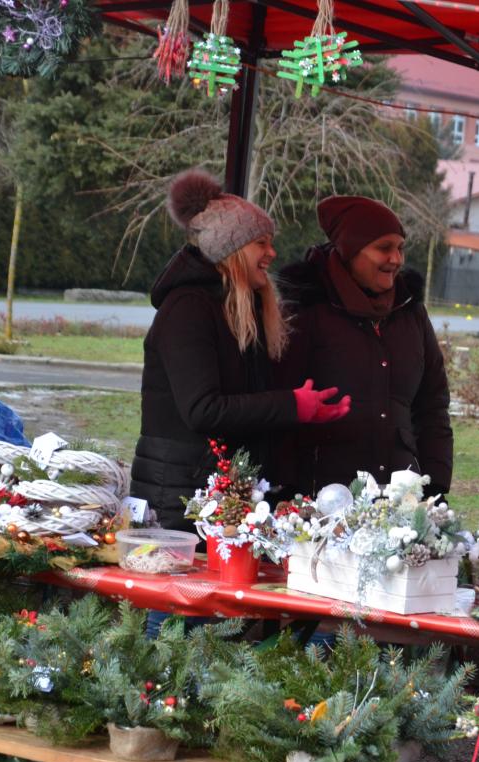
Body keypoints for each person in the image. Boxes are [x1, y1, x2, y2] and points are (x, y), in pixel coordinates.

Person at [131, 168, 349, 533]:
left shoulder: (241, 308)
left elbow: (246, 405)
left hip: (222, 493)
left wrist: (302, 412)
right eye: (261, 243)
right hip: (179, 500)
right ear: (229, 248)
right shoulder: (187, 308)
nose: (271, 253)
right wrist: (291, 404)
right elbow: (203, 410)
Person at [276, 196, 452, 496]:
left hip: (401, 493)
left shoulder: (410, 311)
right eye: (384, 248)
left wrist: (435, 481)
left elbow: (432, 403)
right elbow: (281, 403)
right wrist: (285, 488)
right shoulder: (306, 309)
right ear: (350, 250)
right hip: (323, 491)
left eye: (400, 248)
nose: (396, 259)